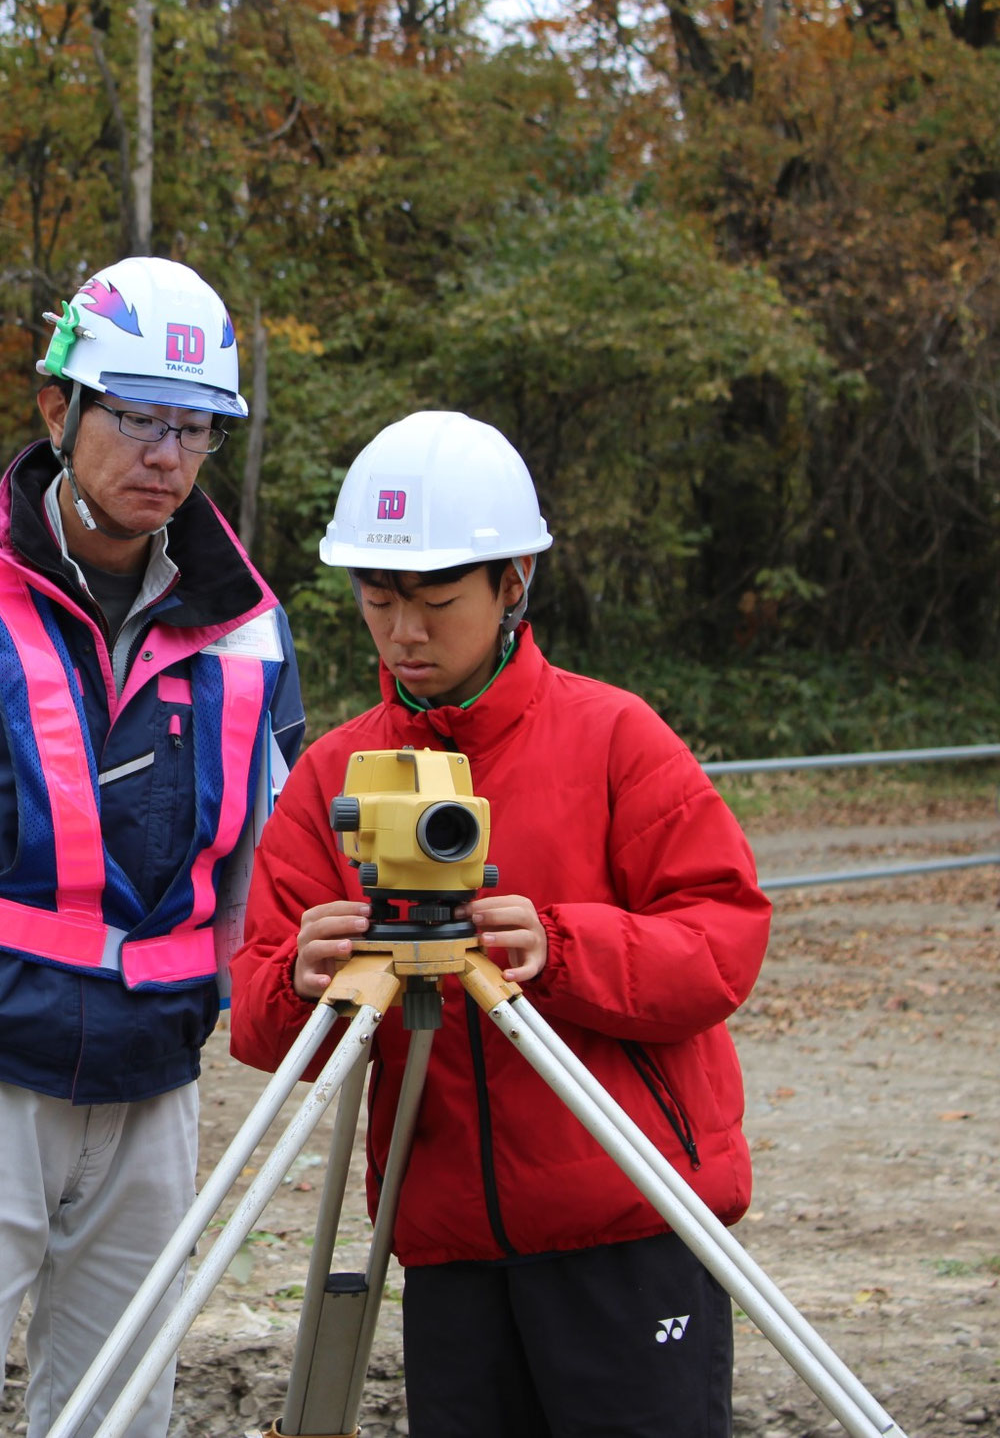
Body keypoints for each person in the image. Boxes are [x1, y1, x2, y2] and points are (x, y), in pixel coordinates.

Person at [0, 256, 306, 1438]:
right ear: (55, 407)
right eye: (134, 416)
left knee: (123, 1407)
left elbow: (270, 847)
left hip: (150, 1082)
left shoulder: (248, 624)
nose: (165, 455)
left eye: (193, 427)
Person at [229, 411, 769, 1436]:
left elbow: (720, 940)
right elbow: (258, 1026)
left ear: (512, 581)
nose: (403, 633)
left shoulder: (613, 739)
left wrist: (562, 949)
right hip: (447, 1253)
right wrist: (302, 977)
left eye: (435, 601)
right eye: (378, 600)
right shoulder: (330, 777)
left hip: (625, 1224)